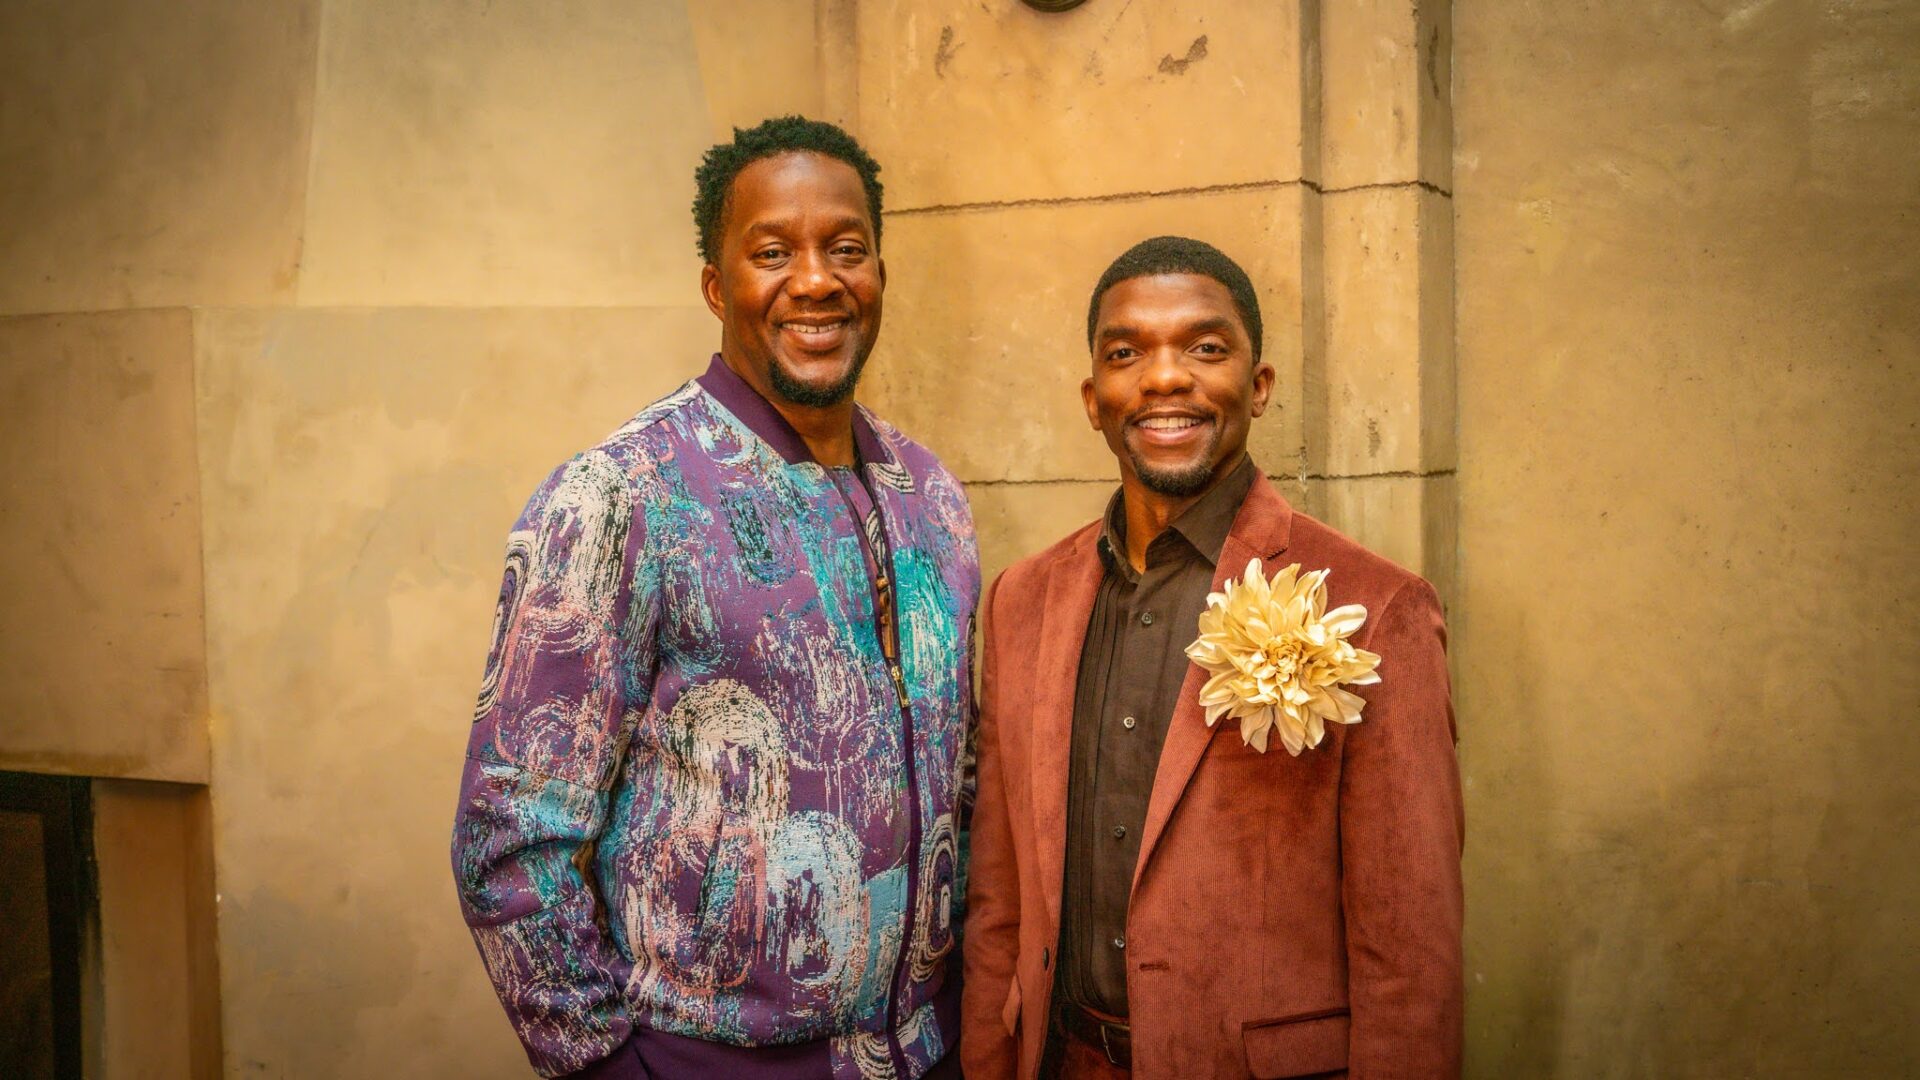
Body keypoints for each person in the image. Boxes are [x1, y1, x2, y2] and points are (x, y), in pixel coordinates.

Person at [452, 116, 978, 1080]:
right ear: (715, 285)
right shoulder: (621, 495)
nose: (815, 280)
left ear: (880, 275)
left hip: (926, 1052)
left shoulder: (929, 493)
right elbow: (510, 839)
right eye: (772, 251)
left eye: (846, 249)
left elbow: (960, 776)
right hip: (707, 1061)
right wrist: (608, 1068)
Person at [962, 236, 1463, 1078]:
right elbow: (998, 902)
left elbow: (1410, 958)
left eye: (1205, 347)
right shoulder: (1021, 602)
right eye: (1127, 353)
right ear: (1094, 397)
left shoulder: (1375, 611)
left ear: (1257, 386)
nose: (1164, 377)